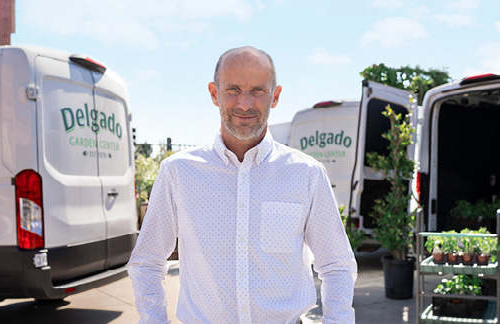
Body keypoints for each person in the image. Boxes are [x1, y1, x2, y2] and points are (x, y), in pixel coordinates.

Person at [127, 46, 357, 324]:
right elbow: (147, 261)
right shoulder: (178, 172)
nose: (245, 104)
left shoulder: (306, 173)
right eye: (233, 89)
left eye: (258, 90)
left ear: (275, 95)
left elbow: (337, 264)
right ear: (214, 93)